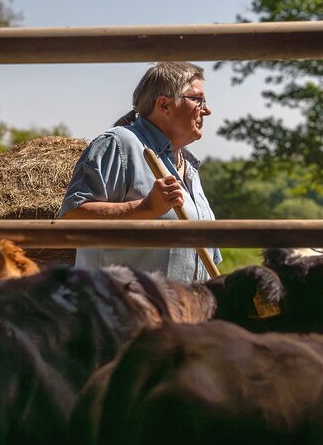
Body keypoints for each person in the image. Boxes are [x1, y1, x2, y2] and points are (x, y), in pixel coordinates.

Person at [58, 62, 222, 282]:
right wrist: (146, 208)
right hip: (120, 310)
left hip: (182, 311)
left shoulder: (189, 167)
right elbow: (72, 217)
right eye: (198, 100)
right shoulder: (120, 144)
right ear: (165, 105)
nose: (207, 110)